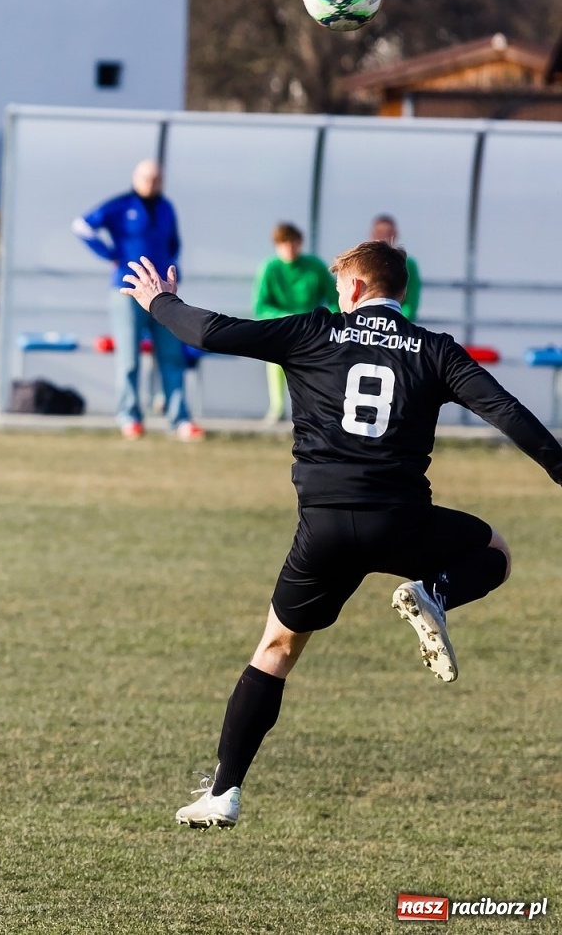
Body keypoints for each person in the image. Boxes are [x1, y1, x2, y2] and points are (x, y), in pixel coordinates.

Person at [118, 243, 562, 829]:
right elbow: (504, 410)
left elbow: (212, 332)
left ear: (354, 288)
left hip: (323, 528)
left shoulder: (314, 333)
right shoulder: (435, 351)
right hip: (401, 523)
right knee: (495, 551)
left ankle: (224, 793)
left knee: (276, 651)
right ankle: (436, 594)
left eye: (338, 286)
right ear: (398, 291)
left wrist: (161, 302)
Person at [73, 159, 202, 441]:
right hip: (127, 291)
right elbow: (81, 226)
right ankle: (129, 417)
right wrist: (109, 254)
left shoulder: (167, 208)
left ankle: (179, 419)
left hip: (163, 295)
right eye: (147, 178)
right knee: (129, 359)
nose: (152, 184)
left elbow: (174, 245)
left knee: (171, 355)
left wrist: (172, 276)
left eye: (157, 179)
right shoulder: (121, 205)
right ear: (136, 178)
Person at [252, 223, 336, 422]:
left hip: (313, 330)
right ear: (277, 245)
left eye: (293, 242)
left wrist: (323, 319)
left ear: (300, 243)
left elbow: (336, 299)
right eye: (283, 243)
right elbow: (260, 306)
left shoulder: (315, 266)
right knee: (275, 359)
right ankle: (277, 407)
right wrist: (284, 316)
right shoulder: (269, 268)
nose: (289, 247)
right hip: (282, 329)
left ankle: (315, 410)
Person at [370, 214, 420, 321]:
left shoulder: (408, 265)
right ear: (372, 235)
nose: (383, 238)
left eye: (388, 234)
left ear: (396, 234)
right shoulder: (360, 263)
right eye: (379, 233)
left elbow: (411, 303)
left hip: (397, 325)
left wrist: (397, 323)